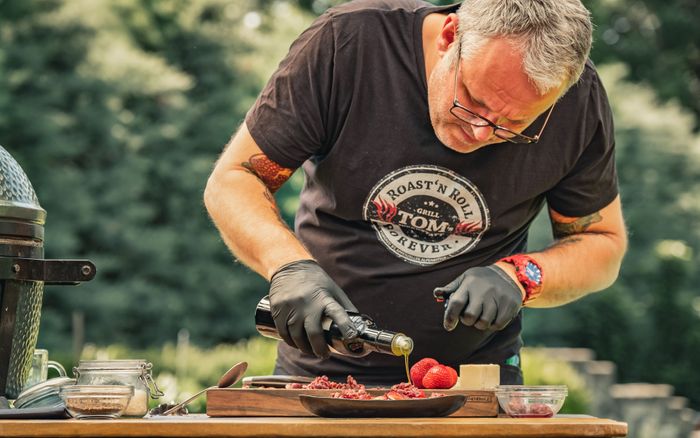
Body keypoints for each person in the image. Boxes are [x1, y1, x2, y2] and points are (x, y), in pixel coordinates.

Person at [204, 0, 627, 385]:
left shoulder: (577, 104)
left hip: (476, 384)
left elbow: (601, 244)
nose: (480, 132)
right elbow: (235, 178)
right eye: (472, 101)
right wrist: (288, 267)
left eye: (512, 126)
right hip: (320, 374)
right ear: (449, 37)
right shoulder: (350, 44)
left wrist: (520, 276)